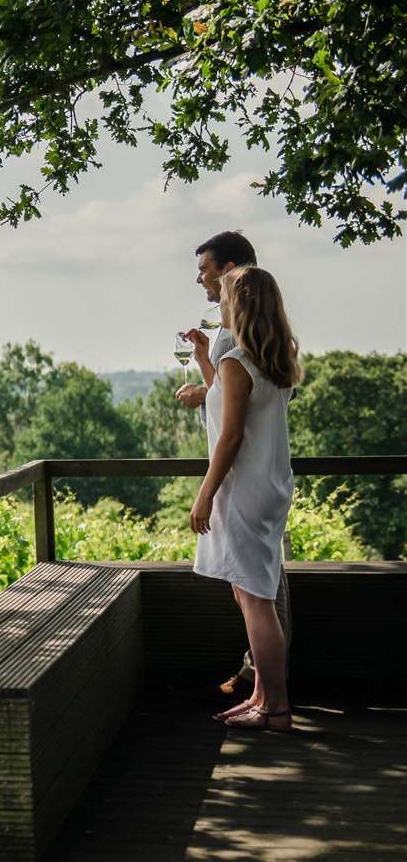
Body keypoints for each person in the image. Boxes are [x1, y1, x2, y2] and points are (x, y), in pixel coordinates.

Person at [183, 265, 302, 731]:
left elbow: (230, 436)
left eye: (225, 296)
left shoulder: (239, 363)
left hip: (244, 492)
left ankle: (276, 709)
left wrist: (204, 495)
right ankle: (262, 695)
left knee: (255, 599)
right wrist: (203, 360)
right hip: (268, 487)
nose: (220, 304)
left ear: (240, 305)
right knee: (249, 591)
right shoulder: (271, 362)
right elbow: (230, 405)